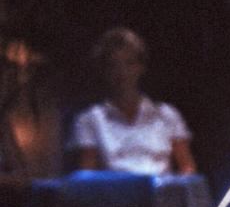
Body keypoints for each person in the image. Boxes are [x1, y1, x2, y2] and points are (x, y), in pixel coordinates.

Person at [69, 27, 196, 175]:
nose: (122, 72)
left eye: (129, 63)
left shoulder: (167, 115)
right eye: (113, 65)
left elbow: (187, 169)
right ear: (104, 70)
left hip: (161, 188)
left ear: (140, 67)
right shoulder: (89, 119)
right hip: (115, 189)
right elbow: (87, 176)